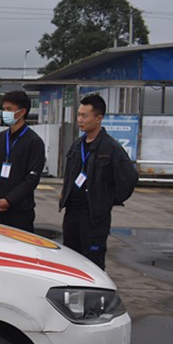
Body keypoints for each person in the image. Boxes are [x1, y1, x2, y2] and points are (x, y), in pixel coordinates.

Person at [59, 94, 139, 268]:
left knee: (92, 264)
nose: (80, 120)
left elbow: (129, 178)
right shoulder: (77, 145)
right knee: (70, 262)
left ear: (98, 118)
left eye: (84, 116)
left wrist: (107, 200)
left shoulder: (111, 147)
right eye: (78, 115)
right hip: (72, 214)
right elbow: (69, 175)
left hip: (93, 218)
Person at [0, 90, 45, 232]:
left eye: (9, 109)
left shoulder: (34, 142)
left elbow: (32, 179)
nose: (5, 113)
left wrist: (9, 200)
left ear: (22, 112)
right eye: (4, 109)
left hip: (20, 211)